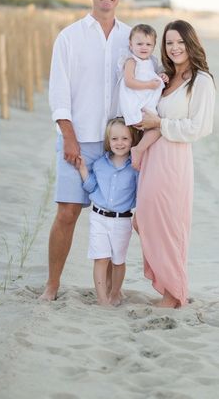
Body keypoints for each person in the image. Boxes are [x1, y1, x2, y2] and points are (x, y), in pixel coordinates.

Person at [40, 0, 131, 301]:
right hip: (79, 140)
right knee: (67, 213)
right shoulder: (70, 37)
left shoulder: (130, 37)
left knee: (113, 218)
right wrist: (68, 135)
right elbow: (59, 92)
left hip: (119, 146)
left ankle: (106, 290)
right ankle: (52, 285)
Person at [133, 20, 216, 308]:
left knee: (169, 223)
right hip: (152, 156)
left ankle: (174, 292)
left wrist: (160, 123)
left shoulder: (201, 81)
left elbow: (200, 127)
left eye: (180, 42)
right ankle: (167, 285)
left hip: (174, 159)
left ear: (190, 43)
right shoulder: (165, 77)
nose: (175, 47)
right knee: (144, 218)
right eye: (169, 43)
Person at [76, 117, 139, 306]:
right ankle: (102, 299)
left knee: (118, 261)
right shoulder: (100, 164)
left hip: (122, 220)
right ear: (108, 141)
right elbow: (92, 187)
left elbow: (140, 193)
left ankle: (115, 293)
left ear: (132, 140)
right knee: (100, 258)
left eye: (125, 139)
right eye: (114, 139)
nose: (119, 143)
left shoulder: (135, 167)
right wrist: (82, 169)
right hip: (98, 217)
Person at [117, 23, 166, 169]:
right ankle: (137, 151)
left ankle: (141, 153)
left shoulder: (151, 62)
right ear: (131, 45)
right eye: (139, 44)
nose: (144, 47)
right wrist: (149, 85)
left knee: (155, 127)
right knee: (157, 128)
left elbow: (151, 77)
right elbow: (129, 81)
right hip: (134, 103)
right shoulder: (131, 61)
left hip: (145, 100)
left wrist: (161, 77)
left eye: (148, 44)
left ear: (153, 46)